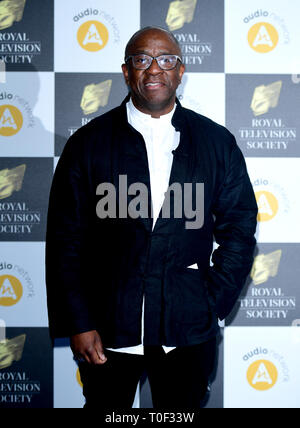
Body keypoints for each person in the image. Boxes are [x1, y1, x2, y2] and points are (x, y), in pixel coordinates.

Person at [46, 26, 258, 409]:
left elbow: (239, 230)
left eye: (167, 60)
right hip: (108, 329)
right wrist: (78, 321)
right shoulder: (88, 144)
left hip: (187, 330)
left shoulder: (216, 142)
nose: (155, 69)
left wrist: (210, 302)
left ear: (180, 71)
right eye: (142, 59)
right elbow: (66, 240)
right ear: (127, 71)